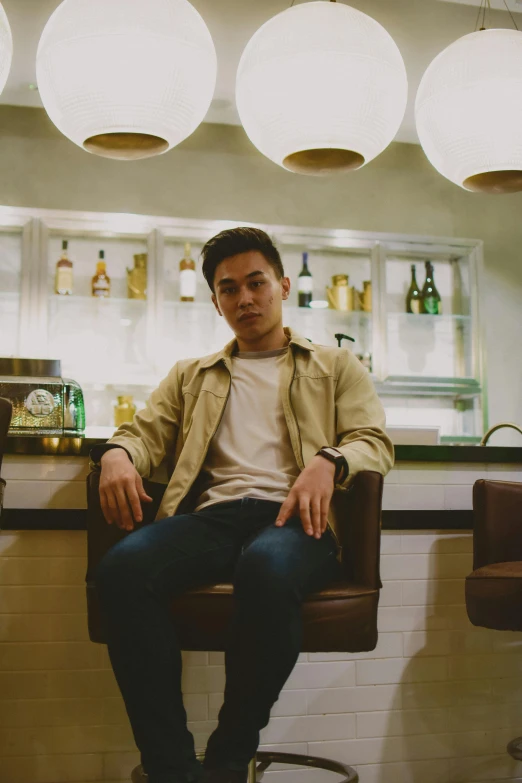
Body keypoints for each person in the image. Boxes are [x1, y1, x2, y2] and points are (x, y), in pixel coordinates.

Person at [90, 227, 394, 783]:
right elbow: (143, 433)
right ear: (216, 301)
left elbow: (373, 440)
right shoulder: (192, 374)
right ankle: (172, 767)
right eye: (229, 289)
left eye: (256, 283)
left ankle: (230, 754)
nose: (245, 299)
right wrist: (115, 453)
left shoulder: (334, 365)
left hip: (296, 520)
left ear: (281, 285)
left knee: (266, 566)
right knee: (120, 571)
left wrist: (330, 460)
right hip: (214, 518)